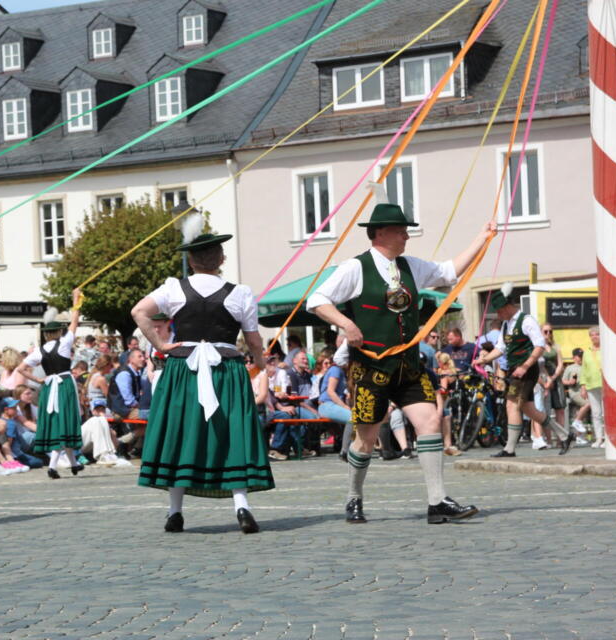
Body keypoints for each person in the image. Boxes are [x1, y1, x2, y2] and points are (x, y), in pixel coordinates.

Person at [307, 202, 486, 524]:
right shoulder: (355, 267)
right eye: (401, 229)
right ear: (380, 233)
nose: (406, 234)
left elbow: (448, 271)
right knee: (366, 438)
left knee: (430, 421)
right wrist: (346, 325)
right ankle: (354, 497)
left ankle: (437, 501)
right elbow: (317, 300)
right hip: (371, 368)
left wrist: (481, 239)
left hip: (407, 366)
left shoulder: (411, 266)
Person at [131, 214, 273, 534]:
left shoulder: (173, 288)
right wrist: (261, 363)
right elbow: (253, 339)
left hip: (183, 368)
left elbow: (138, 311)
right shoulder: (240, 293)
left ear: (191, 261)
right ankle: (242, 507)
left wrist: (162, 345)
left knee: (182, 433)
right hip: (227, 369)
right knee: (231, 433)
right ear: (221, 259)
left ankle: (175, 512)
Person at [473, 283, 576, 457]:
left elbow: (539, 346)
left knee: (511, 404)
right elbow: (500, 348)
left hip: (526, 369)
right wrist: (483, 360)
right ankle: (565, 436)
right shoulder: (506, 325)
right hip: (515, 369)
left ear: (507, 307)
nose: (498, 315)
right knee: (528, 409)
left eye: (499, 311)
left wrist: (525, 366)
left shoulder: (526, 321)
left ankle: (509, 449)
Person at [16, 291, 84, 480]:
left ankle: (74, 464)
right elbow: (75, 321)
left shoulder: (39, 350)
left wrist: (38, 380)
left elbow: (21, 368)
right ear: (58, 332)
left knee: (58, 422)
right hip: (64, 385)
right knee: (65, 422)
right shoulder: (64, 343)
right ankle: (53, 466)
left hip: (48, 387)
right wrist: (76, 302)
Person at [579, 326, 606, 448]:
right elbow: (583, 370)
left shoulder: (606, 349)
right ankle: (599, 438)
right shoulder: (587, 352)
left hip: (605, 385)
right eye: (592, 335)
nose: (594, 336)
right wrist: (583, 386)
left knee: (606, 413)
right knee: (596, 413)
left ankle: (607, 438)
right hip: (591, 385)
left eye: (597, 334)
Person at [80, 399, 121, 465]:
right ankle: (102, 455)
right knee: (96, 420)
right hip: (77, 442)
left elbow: (116, 443)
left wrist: (109, 429)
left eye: (102, 409)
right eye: (97, 409)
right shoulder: (91, 419)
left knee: (101, 421)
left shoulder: (103, 422)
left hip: (88, 447)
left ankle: (107, 454)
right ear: (92, 410)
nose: (100, 411)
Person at [562, 348, 590, 433]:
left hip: (585, 391)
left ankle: (579, 436)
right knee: (588, 404)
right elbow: (563, 380)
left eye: (582, 356)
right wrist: (570, 382)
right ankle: (576, 421)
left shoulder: (586, 366)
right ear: (574, 357)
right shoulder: (570, 368)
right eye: (579, 356)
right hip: (574, 392)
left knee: (581, 412)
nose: (581, 358)